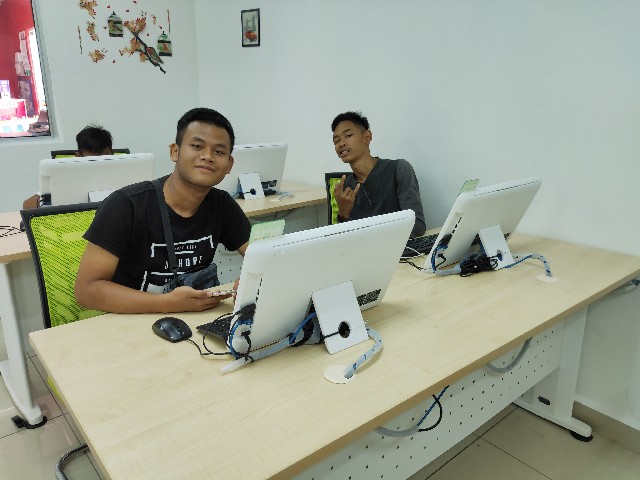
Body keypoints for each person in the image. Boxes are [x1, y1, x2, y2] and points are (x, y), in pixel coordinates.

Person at [74, 107, 251, 314]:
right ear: (174, 152)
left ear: (229, 164)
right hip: (131, 319)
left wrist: (253, 279)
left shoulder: (222, 204)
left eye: (219, 152)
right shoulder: (126, 205)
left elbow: (263, 255)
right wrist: (167, 303)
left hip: (193, 317)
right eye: (197, 146)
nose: (207, 156)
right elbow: (86, 290)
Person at [331, 111, 426, 238]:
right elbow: (344, 240)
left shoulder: (398, 169)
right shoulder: (345, 188)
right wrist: (343, 215)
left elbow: (417, 225)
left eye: (348, 135)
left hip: (399, 248)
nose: (341, 144)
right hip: (365, 249)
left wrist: (373, 240)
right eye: (336, 141)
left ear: (367, 137)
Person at [22, 124, 114, 209]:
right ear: (78, 156)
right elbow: (27, 205)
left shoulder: (119, 173)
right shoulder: (67, 177)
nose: (99, 167)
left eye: (105, 159)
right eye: (92, 161)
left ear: (112, 154)